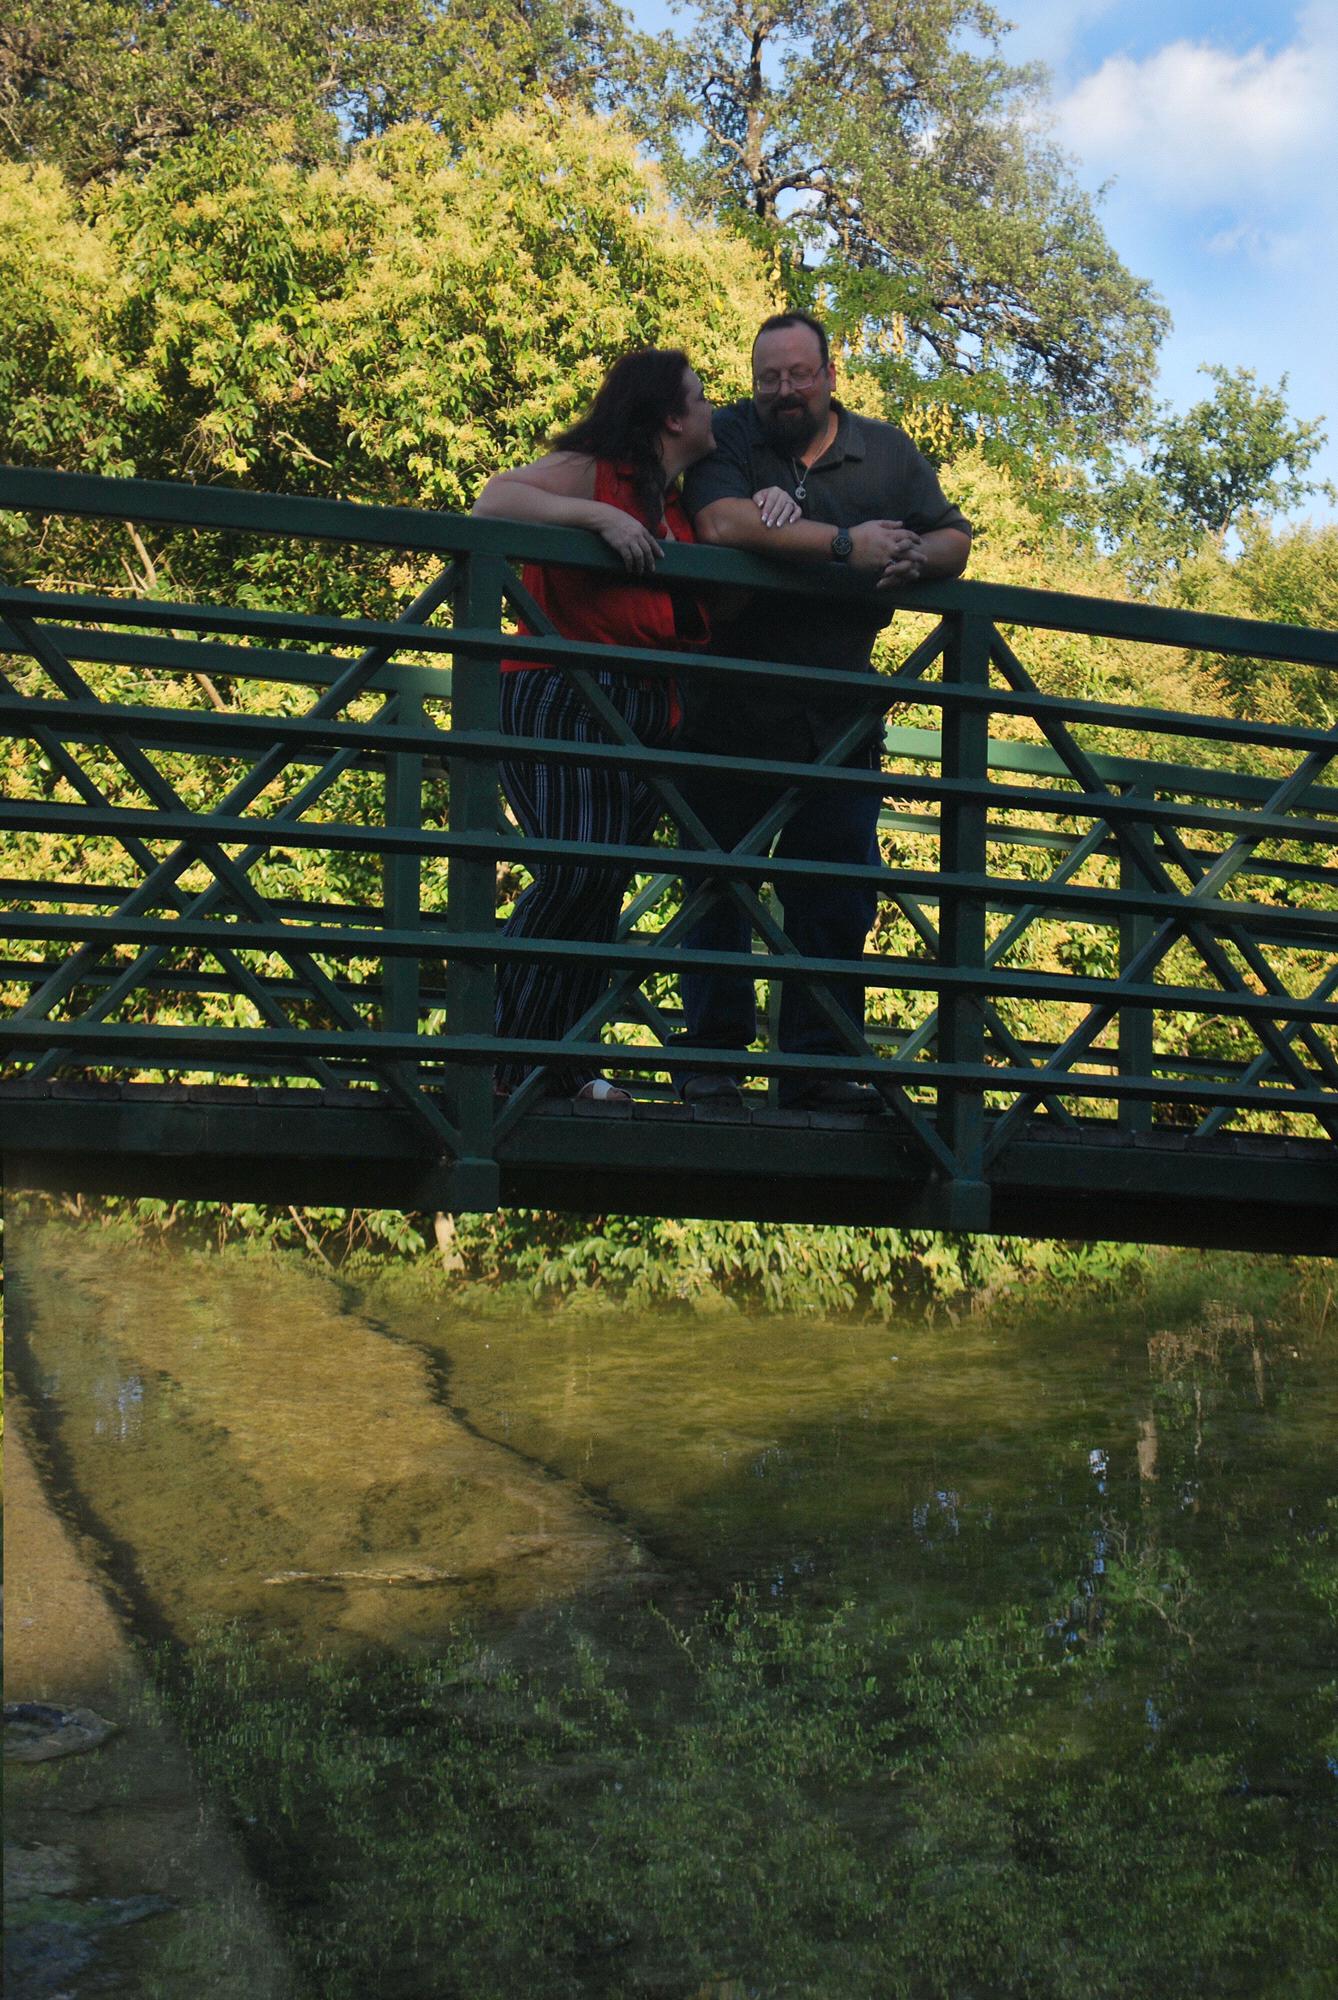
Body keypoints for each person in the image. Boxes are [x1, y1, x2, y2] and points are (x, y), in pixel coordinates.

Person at [471, 347, 796, 1103]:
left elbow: (721, 606)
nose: (713, 409)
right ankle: (496, 1057)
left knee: (602, 887)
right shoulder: (595, 472)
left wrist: (776, 509)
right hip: (564, 693)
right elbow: (494, 503)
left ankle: (560, 1066)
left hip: (645, 711)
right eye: (701, 397)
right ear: (671, 417)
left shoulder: (678, 506)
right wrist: (598, 517)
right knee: (575, 871)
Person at [676, 309, 973, 1114]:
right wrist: (846, 545)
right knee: (716, 889)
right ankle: (711, 1064)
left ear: (830, 376)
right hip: (728, 707)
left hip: (839, 715)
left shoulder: (887, 453)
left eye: (798, 375)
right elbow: (717, 522)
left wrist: (915, 555)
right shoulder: (729, 434)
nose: (783, 390)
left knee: (837, 895)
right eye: (768, 377)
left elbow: (954, 538)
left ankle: (816, 1069)